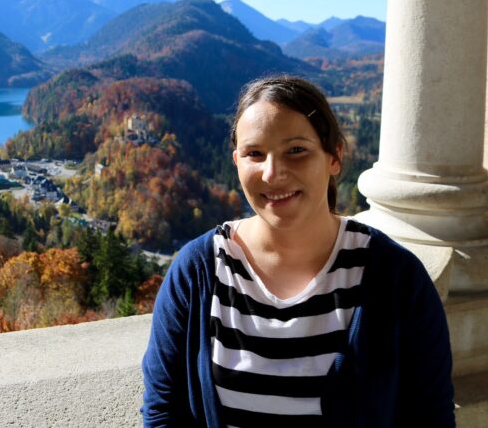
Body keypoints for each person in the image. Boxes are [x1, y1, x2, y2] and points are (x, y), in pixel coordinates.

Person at [141, 75, 454, 427]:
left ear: (334, 156)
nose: (273, 173)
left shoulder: (397, 278)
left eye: (296, 151)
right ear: (236, 161)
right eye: (254, 154)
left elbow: (431, 416)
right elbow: (163, 411)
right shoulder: (198, 272)